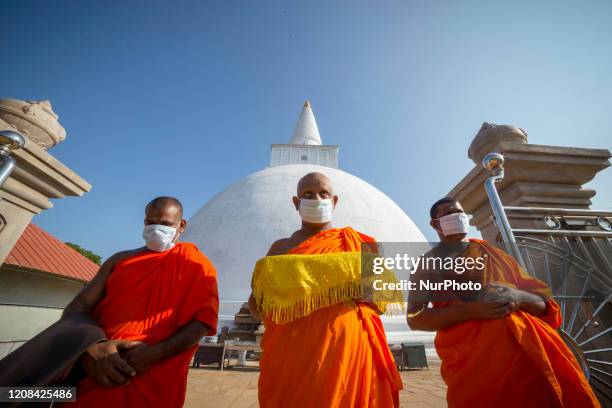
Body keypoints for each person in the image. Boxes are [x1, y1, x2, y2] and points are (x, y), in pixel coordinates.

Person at [0, 196, 219, 408]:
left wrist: (157, 353)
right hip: (97, 369)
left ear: (181, 226)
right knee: (21, 393)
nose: (156, 229)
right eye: (150, 223)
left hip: (155, 376)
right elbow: (77, 308)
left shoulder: (196, 264)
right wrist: (93, 347)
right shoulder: (120, 260)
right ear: (144, 222)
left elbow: (202, 323)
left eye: (165, 224)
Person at [406, 196, 600, 408]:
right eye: (450, 214)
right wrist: (472, 310)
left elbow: (545, 305)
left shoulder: (494, 253)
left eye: (460, 213)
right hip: (475, 367)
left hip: (530, 356)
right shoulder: (425, 265)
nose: (458, 217)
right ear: (435, 224)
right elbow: (415, 318)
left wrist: (518, 297)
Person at [248, 172, 403, 408]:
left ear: (335, 201)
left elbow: (382, 298)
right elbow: (256, 305)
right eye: (308, 194)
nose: (317, 198)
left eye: (324, 193)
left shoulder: (361, 244)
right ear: (296, 202)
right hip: (290, 356)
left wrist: (341, 287)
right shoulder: (279, 248)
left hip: (346, 354)